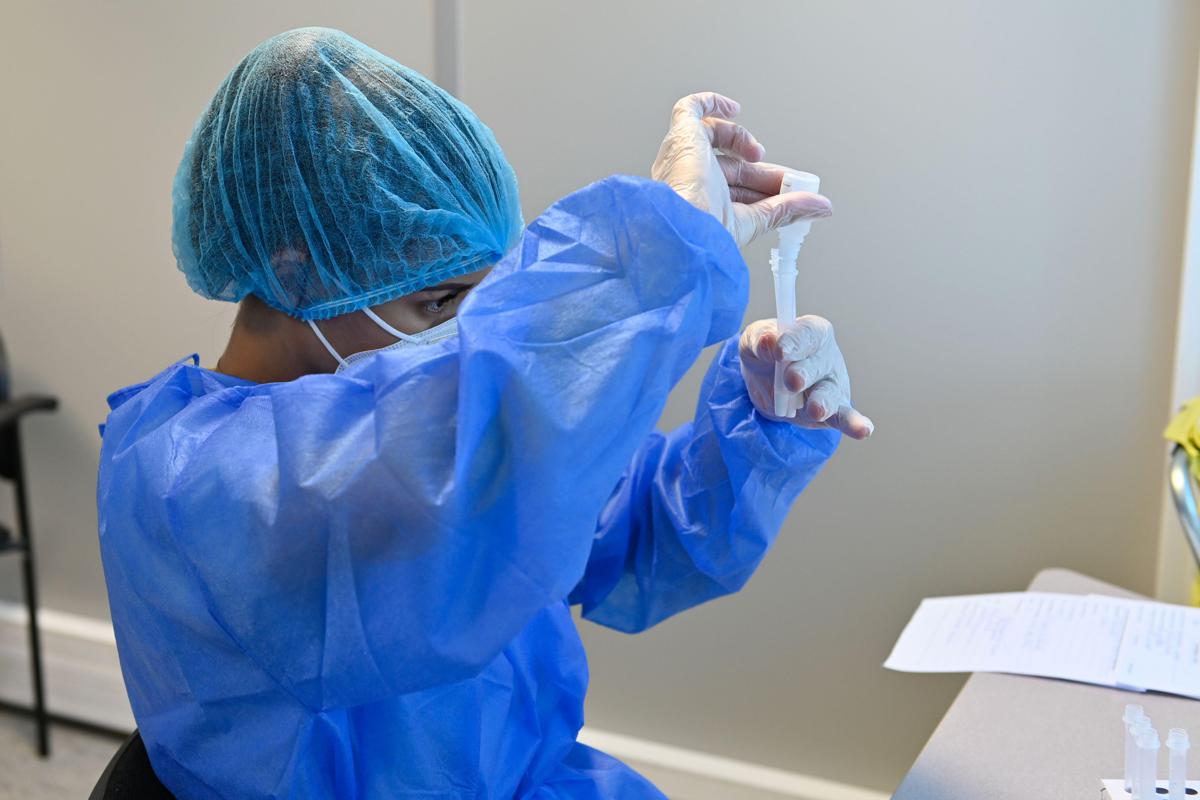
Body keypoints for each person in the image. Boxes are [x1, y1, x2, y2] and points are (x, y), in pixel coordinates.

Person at [96, 27, 872, 800]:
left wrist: (756, 431)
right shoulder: (193, 480)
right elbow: (445, 503)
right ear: (295, 270)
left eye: (485, 294)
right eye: (439, 301)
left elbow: (614, 525)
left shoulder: (415, 418)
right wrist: (661, 247)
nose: (465, 333)